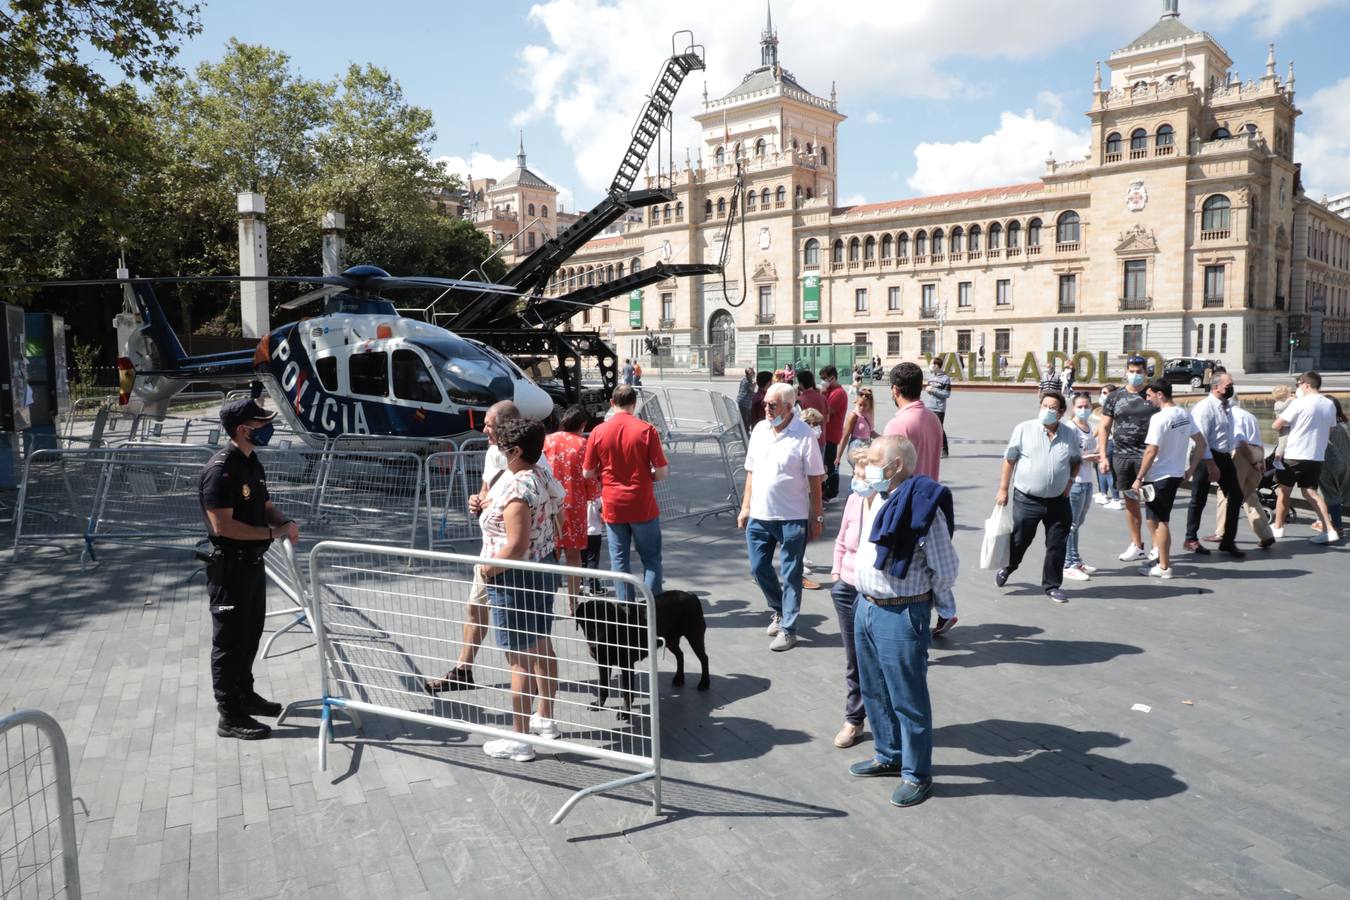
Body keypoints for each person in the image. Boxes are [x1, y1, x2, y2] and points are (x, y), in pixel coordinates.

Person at [848, 436, 958, 809]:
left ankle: (916, 773)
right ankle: (888, 754)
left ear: (896, 466)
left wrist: (940, 605)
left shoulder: (922, 507)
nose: (868, 464)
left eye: (876, 459)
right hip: (867, 606)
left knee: (907, 698)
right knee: (874, 688)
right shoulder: (877, 496)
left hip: (902, 610)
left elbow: (944, 567)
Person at [427, 401, 549, 693]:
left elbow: (545, 507)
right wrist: (477, 501)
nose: (483, 429)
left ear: (507, 429)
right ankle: (463, 670)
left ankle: (536, 697)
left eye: (489, 425)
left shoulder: (532, 461)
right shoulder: (494, 453)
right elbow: (486, 491)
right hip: (491, 553)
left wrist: (495, 565)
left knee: (527, 633)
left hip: (512, 560)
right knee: (475, 609)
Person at [198, 398, 300, 741]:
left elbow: (266, 506)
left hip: (253, 567)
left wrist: (284, 522)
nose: (267, 427)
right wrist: (272, 533)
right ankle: (229, 714)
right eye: (261, 423)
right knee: (228, 643)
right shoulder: (220, 470)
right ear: (243, 429)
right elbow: (222, 526)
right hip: (230, 571)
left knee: (250, 635)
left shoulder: (251, 462)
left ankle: (245, 695)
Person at [477, 417, 566, 762]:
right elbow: (557, 509)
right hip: (542, 567)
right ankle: (545, 718)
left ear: (515, 451)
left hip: (515, 578)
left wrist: (489, 567)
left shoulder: (518, 490)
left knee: (519, 661)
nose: (498, 452)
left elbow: (515, 545)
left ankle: (519, 739)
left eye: (502, 448)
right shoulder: (540, 475)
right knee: (541, 645)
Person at [739, 382, 826, 651]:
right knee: (758, 568)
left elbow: (815, 479)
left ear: (789, 408)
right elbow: (751, 471)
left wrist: (817, 517)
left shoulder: (804, 435)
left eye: (772, 404)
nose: (765, 408)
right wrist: (745, 507)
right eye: (765, 403)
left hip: (792, 516)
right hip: (760, 514)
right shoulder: (759, 431)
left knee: (791, 574)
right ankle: (778, 609)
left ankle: (789, 629)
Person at [583, 385, 670, 601]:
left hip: (613, 504)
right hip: (642, 504)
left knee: (619, 560)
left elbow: (587, 472)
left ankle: (626, 611)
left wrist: (604, 476)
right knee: (651, 559)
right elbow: (661, 472)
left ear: (612, 403)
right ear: (635, 403)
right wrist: (647, 475)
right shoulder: (646, 430)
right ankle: (653, 608)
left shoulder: (598, 431)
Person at [993, 392, 1081, 603]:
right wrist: (1003, 489)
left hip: (1059, 500)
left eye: (1053, 408)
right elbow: (1009, 460)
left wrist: (1069, 482)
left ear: (1061, 413)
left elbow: (1076, 460)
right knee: (1020, 539)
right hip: (1027, 499)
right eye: (1044, 406)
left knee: (1057, 544)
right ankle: (1009, 566)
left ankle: (1052, 585)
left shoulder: (1069, 434)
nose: (1047, 410)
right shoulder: (1024, 429)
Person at [1131, 380, 1205, 578]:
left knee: (1161, 520)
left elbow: (1151, 450)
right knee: (1153, 518)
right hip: (1172, 474)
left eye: (1149, 395)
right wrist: (1190, 468)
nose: (1147, 399)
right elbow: (1200, 443)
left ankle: (1164, 567)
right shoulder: (1184, 414)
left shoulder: (1160, 418)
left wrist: (1138, 478)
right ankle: (1159, 557)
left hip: (1158, 476)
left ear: (1160, 394)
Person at [829, 447, 870, 750]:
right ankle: (853, 718)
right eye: (854, 472)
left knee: (878, 660)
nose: (856, 478)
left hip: (875, 592)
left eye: (862, 473)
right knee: (853, 658)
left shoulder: (887, 504)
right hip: (846, 586)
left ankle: (885, 716)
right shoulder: (853, 499)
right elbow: (842, 538)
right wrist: (835, 574)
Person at [1097, 355, 1157, 562]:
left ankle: (1157, 547)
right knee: (1130, 502)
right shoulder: (1115, 397)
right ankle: (1136, 544)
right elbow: (1104, 427)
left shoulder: (1152, 396)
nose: (1135, 375)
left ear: (1146, 372)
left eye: (1139, 371)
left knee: (1151, 503)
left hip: (1147, 457)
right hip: (1122, 456)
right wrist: (1103, 456)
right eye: (1132, 371)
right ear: (1126, 372)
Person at [1183, 371, 1246, 559]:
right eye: (1228, 386)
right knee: (1199, 498)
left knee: (1236, 495)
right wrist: (1211, 464)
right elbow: (1200, 439)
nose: (1231, 389)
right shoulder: (1205, 407)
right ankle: (1190, 538)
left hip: (1224, 456)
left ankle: (1228, 540)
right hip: (1206, 456)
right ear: (1216, 387)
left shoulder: (1228, 406)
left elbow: (1228, 434)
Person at [1272, 371, 1339, 543]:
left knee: (1284, 492)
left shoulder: (1299, 403)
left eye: (1298, 384)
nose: (1298, 388)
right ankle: (1329, 529)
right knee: (1311, 492)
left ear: (1306, 384)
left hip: (1294, 454)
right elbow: (1330, 430)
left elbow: (1276, 425)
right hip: (1316, 456)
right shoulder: (1329, 404)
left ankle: (1278, 527)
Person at [543, 406, 599, 610]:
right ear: (582, 425)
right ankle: (573, 602)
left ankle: (546, 601)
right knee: (574, 557)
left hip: (550, 504)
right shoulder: (583, 444)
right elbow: (590, 476)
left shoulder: (548, 441)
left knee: (551, 553)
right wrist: (594, 498)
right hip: (575, 505)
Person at [1213, 398, 1276, 549]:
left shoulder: (1230, 416)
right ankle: (1265, 533)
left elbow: (1241, 442)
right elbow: (1257, 439)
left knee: (1226, 492)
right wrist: (1259, 460)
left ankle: (1221, 532)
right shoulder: (1249, 415)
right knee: (1249, 495)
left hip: (1242, 455)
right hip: (1256, 451)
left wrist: (1253, 461)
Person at [1063, 392, 1100, 581]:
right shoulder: (1070, 428)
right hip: (1074, 482)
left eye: (1087, 406)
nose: (1084, 410)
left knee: (1077, 524)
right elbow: (1067, 456)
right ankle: (1067, 563)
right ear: (1073, 408)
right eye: (1080, 407)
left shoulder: (1089, 426)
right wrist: (1088, 457)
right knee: (1071, 525)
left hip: (1087, 481)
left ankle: (1075, 559)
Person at [884, 362, 943, 479]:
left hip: (906, 495)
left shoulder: (896, 425)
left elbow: (890, 472)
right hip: (930, 493)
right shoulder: (934, 419)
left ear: (895, 390)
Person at [1317, 397, 1350, 536]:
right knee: (1338, 493)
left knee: (1331, 493)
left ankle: (1337, 527)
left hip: (1329, 462)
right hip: (1347, 462)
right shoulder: (1345, 423)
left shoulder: (1325, 425)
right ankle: (1325, 521)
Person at [820, 365, 850, 502]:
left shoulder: (839, 393)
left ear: (832, 377)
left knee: (830, 463)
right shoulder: (829, 390)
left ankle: (833, 492)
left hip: (832, 433)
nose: (822, 381)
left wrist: (822, 394)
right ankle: (826, 489)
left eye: (824, 378)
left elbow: (828, 411)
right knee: (824, 462)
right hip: (825, 433)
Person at [1094, 385, 1124, 509]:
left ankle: (1116, 498)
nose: (1102, 395)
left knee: (1108, 471)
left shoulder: (1113, 409)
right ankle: (1103, 493)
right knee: (1101, 469)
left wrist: (1092, 439)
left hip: (1110, 443)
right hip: (1106, 442)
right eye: (1101, 392)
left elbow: (1102, 427)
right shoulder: (1109, 407)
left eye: (1105, 393)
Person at [838, 387, 877, 465]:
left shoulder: (869, 415)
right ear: (856, 402)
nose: (861, 408)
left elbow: (870, 432)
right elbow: (845, 436)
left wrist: (883, 438)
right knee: (860, 473)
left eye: (865, 405)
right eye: (860, 405)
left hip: (866, 447)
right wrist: (838, 456)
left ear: (870, 405)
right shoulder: (854, 415)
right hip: (856, 449)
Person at [922, 355, 952, 458]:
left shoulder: (945, 378)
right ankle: (931, 449)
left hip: (939, 408)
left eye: (932, 364)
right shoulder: (930, 377)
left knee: (939, 428)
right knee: (928, 429)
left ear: (937, 365)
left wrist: (933, 390)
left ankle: (944, 450)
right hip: (929, 406)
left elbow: (947, 394)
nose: (930, 365)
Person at [796, 369, 830, 458]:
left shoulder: (800, 400)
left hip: (805, 441)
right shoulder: (822, 398)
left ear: (801, 384)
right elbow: (827, 419)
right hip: (821, 440)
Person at [1270, 385, 1292, 460]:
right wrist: (1290, 400)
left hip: (1286, 425)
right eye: (1289, 393)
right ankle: (1277, 457)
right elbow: (1283, 408)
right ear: (1284, 395)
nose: (1291, 394)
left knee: (1286, 441)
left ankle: (1281, 456)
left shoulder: (1283, 402)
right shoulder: (1278, 403)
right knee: (1283, 442)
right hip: (1283, 426)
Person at [736, 366, 757, 431]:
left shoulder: (745, 379)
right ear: (748, 374)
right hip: (744, 403)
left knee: (746, 419)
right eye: (752, 372)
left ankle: (745, 431)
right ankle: (745, 434)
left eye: (754, 371)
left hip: (742, 401)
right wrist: (754, 386)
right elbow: (751, 391)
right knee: (745, 420)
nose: (754, 373)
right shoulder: (747, 382)